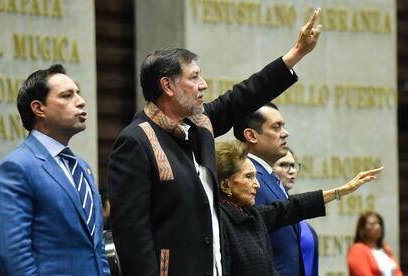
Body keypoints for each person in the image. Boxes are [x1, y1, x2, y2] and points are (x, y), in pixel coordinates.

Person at [108, 8, 323, 276]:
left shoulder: (200, 126)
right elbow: (132, 237)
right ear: (167, 86)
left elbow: (244, 95)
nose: (204, 85)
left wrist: (296, 54)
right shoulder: (136, 141)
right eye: (194, 77)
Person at [0, 65, 110, 275]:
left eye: (78, 93)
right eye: (67, 95)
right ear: (39, 108)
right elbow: (13, 256)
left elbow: (96, 246)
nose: (81, 101)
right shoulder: (16, 168)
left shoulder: (81, 167)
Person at [215, 140, 382, 276]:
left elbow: (291, 207)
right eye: (248, 177)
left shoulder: (251, 214)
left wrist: (340, 191)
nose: (257, 184)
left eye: (255, 176)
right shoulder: (218, 221)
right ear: (225, 184)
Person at [234, 101, 308, 275]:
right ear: (251, 135)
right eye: (276, 127)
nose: (285, 133)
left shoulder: (270, 177)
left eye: (284, 126)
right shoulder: (249, 179)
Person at [272, 148, 319, 276]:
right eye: (284, 165)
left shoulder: (292, 209)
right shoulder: (269, 209)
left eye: (293, 165)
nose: (291, 171)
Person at [347, 212, 403, 276]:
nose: (378, 227)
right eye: (372, 224)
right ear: (363, 229)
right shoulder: (356, 250)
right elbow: (363, 274)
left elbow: (397, 271)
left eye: (379, 223)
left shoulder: (386, 249)